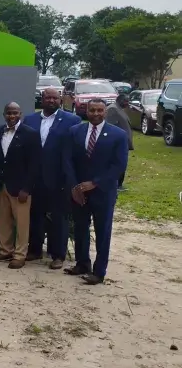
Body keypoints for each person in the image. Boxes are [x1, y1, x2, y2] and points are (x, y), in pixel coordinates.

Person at [63, 99, 129, 285]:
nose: (96, 114)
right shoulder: (75, 131)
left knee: (102, 231)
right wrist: (75, 186)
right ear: (86, 111)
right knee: (80, 228)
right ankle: (82, 263)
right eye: (92, 110)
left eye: (100, 110)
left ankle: (99, 272)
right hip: (79, 191)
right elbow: (67, 160)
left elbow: (119, 165)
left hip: (103, 192)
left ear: (105, 112)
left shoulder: (118, 135)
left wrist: (95, 183)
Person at [22, 88, 82, 269]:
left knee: (59, 217)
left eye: (55, 98)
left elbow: (74, 151)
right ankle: (35, 250)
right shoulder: (30, 119)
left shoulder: (72, 120)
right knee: (35, 215)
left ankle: (58, 255)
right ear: (42, 99)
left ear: (60, 100)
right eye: (48, 97)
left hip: (59, 178)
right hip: (35, 178)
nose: (51, 100)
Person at [0, 102, 41, 269]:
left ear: (20, 114)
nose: (12, 116)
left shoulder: (30, 134)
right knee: (3, 220)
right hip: (3, 184)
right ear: (4, 114)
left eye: (15, 113)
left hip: (20, 188)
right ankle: (5, 250)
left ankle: (19, 255)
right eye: (9, 113)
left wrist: (27, 188)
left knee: (22, 223)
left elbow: (35, 164)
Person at [104, 93, 134, 191]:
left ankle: (119, 184)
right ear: (119, 100)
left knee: (122, 162)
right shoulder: (112, 109)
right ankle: (116, 185)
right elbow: (110, 126)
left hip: (123, 142)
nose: (127, 103)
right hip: (117, 143)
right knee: (118, 163)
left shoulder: (119, 108)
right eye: (126, 101)